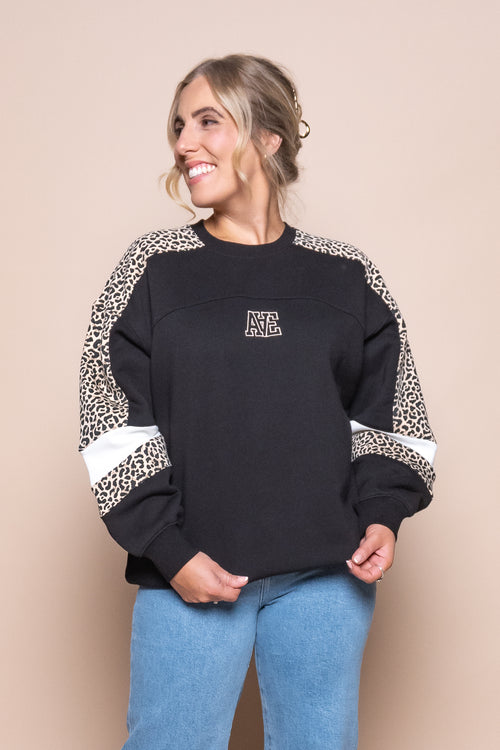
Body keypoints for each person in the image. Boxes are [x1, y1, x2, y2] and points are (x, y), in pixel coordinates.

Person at [79, 54, 437, 750]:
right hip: (189, 573)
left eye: (207, 121)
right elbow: (109, 417)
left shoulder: (347, 274)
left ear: (269, 137)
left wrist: (383, 514)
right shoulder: (152, 269)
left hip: (327, 580)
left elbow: (392, 412)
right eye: (178, 126)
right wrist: (169, 549)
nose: (184, 143)